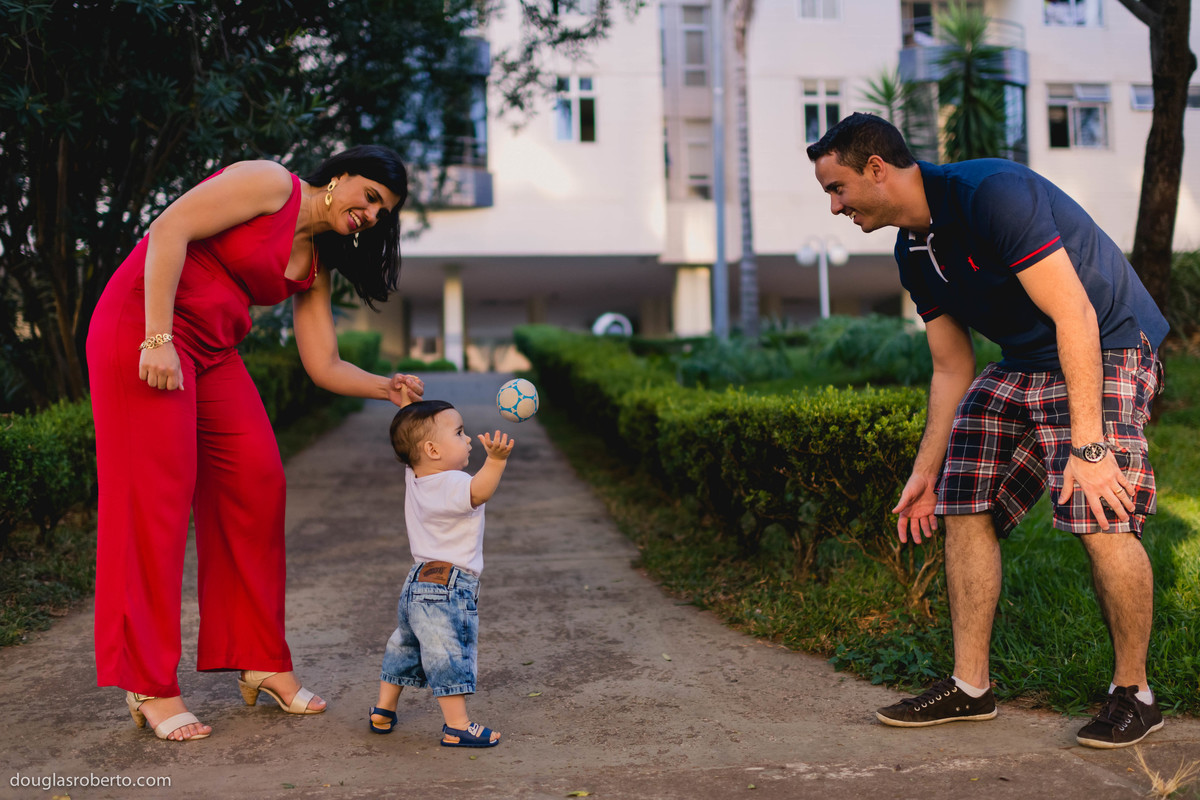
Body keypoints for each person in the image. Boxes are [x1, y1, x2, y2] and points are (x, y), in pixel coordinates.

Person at [806, 113, 1169, 749]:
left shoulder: (991, 195)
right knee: (961, 499)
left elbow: (1075, 312)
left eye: (836, 190)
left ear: (876, 169)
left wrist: (1089, 446)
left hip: (1105, 342)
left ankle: (1133, 693)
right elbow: (952, 367)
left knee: (1099, 507)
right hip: (1027, 361)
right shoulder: (911, 251)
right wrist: (925, 473)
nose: (834, 207)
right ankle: (970, 688)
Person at [86, 145, 426, 742]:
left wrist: (386, 387)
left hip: (212, 352)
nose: (371, 214)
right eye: (370, 196)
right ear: (341, 176)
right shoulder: (270, 184)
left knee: (257, 481)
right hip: (143, 328)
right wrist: (156, 337)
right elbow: (169, 229)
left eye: (383, 212)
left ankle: (260, 659)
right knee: (155, 500)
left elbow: (323, 364)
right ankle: (148, 684)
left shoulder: (315, 260)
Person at [367, 398, 514, 747]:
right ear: (432, 450)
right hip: (448, 586)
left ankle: (383, 710)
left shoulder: (415, 477)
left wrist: (407, 408)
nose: (467, 439)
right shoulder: (451, 482)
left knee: (405, 647)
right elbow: (479, 491)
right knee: (448, 653)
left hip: (416, 582)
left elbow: (410, 442)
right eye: (460, 432)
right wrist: (495, 461)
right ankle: (457, 726)